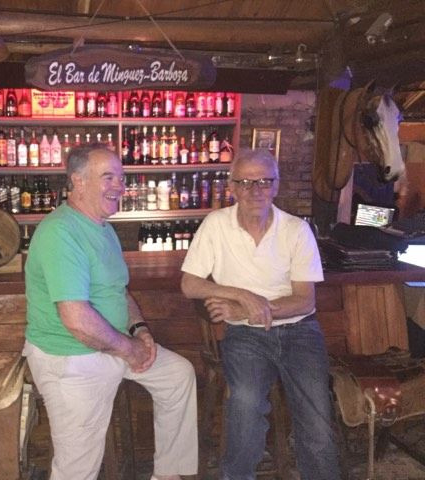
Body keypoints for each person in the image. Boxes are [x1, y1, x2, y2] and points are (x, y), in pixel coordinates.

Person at [23, 145, 198, 480]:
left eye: (121, 177)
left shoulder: (102, 228)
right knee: (78, 467)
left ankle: (167, 476)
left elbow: (119, 291)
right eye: (108, 177)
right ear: (78, 181)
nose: (119, 185)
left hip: (112, 345)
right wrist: (129, 349)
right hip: (71, 358)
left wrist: (139, 329)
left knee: (177, 376)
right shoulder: (61, 232)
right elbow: (77, 320)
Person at [180, 149, 340, 480]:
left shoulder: (296, 230)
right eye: (246, 182)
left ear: (276, 186)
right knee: (245, 405)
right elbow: (190, 284)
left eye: (264, 181)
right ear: (232, 187)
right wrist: (241, 295)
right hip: (245, 336)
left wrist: (243, 309)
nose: (255, 190)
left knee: (317, 419)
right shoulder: (216, 225)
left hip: (300, 331)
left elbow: (304, 301)